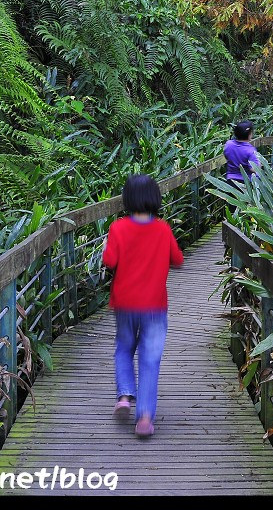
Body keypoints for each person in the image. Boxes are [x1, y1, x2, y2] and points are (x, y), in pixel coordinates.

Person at [102, 174, 184, 438]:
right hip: (154, 305)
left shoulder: (118, 228)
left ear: (127, 199)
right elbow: (178, 259)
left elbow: (109, 261)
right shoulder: (163, 229)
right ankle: (145, 418)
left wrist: (108, 247)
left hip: (125, 302)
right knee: (150, 359)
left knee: (124, 348)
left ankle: (125, 396)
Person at [224, 120, 261, 186]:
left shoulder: (228, 144)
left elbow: (226, 155)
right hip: (245, 182)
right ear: (249, 135)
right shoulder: (251, 150)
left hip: (230, 181)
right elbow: (254, 169)